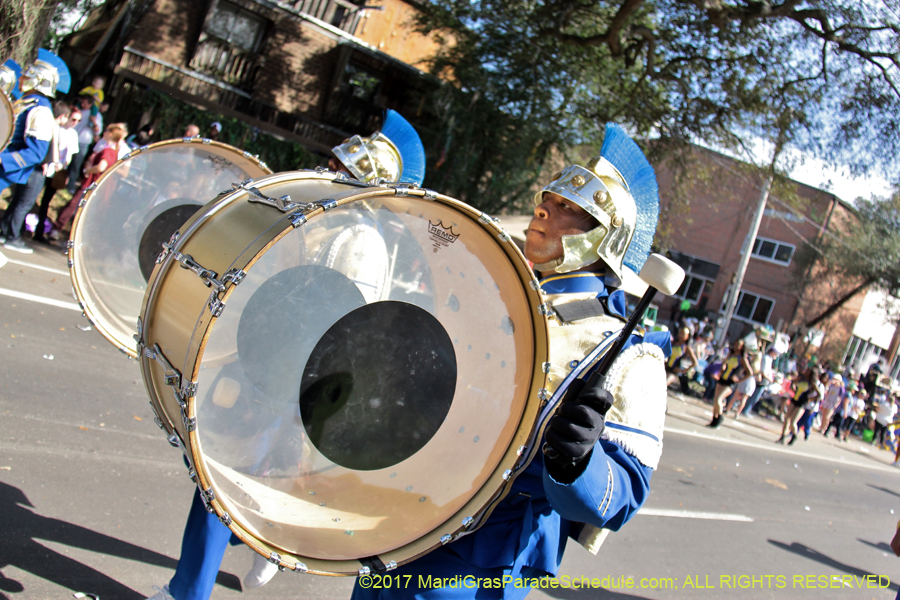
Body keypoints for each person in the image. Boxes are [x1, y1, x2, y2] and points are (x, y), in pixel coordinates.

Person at [349, 123, 670, 600]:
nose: (545, 209)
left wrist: (577, 462)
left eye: (569, 209)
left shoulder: (627, 353)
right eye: (548, 199)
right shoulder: (489, 293)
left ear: (603, 237)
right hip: (401, 513)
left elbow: (623, 493)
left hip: (479, 557)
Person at [145, 109, 427, 600]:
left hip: (292, 378)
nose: (332, 172)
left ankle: (187, 592)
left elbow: (339, 324)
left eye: (346, 171)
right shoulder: (319, 216)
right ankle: (261, 544)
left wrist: (298, 393)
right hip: (265, 364)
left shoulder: (359, 237)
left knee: (221, 476)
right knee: (238, 477)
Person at [0, 100, 71, 253]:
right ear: (63, 115)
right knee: (23, 204)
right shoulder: (47, 122)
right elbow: (39, 152)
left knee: (19, 202)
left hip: (34, 168)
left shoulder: (50, 123)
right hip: (37, 170)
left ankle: (6, 232)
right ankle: (12, 236)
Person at [53, 123, 125, 233]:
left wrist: (87, 171)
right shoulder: (112, 151)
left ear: (110, 134)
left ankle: (56, 229)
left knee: (74, 205)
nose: (104, 132)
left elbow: (101, 167)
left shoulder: (108, 151)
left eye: (106, 131)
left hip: (92, 183)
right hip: (98, 186)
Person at [32, 106, 81, 244]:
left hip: (58, 171)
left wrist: (66, 173)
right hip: (46, 167)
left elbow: (71, 156)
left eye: (78, 120)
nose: (75, 122)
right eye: (73, 119)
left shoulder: (73, 134)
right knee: (32, 196)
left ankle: (39, 231)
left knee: (46, 201)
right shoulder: (56, 128)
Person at [707, 338, 752, 428]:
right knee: (715, 400)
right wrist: (720, 370)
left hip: (730, 383)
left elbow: (750, 372)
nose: (736, 346)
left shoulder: (742, 359)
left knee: (718, 399)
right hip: (722, 379)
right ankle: (714, 419)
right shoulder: (731, 355)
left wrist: (739, 380)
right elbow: (724, 364)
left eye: (739, 345)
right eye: (736, 344)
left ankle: (719, 418)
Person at [742, 346, 778, 417]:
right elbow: (763, 371)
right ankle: (746, 410)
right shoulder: (766, 358)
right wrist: (769, 379)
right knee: (754, 396)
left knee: (756, 397)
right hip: (762, 380)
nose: (776, 356)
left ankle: (747, 410)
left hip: (764, 381)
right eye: (775, 354)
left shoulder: (769, 359)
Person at [665, 326, 698, 395]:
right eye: (680, 333)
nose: (680, 335)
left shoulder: (687, 348)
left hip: (673, 372)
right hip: (664, 368)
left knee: (663, 385)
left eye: (683, 334)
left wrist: (683, 371)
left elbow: (695, 363)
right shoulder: (673, 343)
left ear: (688, 336)